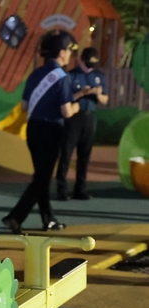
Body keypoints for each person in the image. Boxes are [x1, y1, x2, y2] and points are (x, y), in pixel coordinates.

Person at [1, 30, 80, 234]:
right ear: (61, 53)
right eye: (69, 51)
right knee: (42, 179)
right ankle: (15, 217)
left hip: (33, 129)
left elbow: (25, 106)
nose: (70, 55)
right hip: (51, 130)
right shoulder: (63, 78)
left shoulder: (35, 74)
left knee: (41, 176)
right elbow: (66, 111)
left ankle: (49, 219)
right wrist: (77, 107)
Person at [55, 47, 108, 201]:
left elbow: (105, 99)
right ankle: (61, 189)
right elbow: (66, 97)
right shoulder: (71, 75)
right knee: (66, 153)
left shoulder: (99, 76)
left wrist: (98, 94)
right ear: (82, 60)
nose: (91, 65)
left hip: (90, 117)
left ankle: (80, 189)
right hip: (74, 118)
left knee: (85, 155)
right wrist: (81, 93)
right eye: (89, 62)